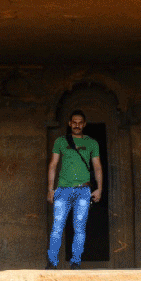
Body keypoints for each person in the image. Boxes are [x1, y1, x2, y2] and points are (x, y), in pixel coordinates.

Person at [46, 109, 102, 269]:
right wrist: (50, 189)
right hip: (62, 190)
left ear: (84, 124)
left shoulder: (92, 143)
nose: (77, 125)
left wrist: (99, 189)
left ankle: (76, 262)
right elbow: (53, 165)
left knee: (79, 227)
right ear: (70, 124)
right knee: (57, 226)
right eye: (74, 122)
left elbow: (97, 167)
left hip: (83, 191)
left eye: (80, 123)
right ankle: (52, 262)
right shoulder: (61, 141)